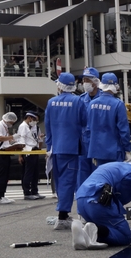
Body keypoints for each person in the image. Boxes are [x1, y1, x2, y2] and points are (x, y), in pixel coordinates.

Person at [44, 72, 87, 230]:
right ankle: (62, 216)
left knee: (60, 181)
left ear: (60, 85)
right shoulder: (78, 101)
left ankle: (62, 214)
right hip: (72, 148)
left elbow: (47, 126)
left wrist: (49, 147)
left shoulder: (51, 102)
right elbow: (85, 122)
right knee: (69, 182)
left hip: (56, 148)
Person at [86, 73, 131, 166]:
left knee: (102, 175)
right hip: (115, 151)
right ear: (115, 86)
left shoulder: (92, 104)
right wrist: (127, 149)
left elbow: (88, 129)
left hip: (97, 151)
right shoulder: (118, 104)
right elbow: (124, 130)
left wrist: (92, 151)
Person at [78, 67, 101, 188]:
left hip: (98, 142)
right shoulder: (81, 99)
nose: (84, 83)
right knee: (82, 174)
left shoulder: (103, 99)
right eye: (84, 80)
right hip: (83, 143)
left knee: (98, 173)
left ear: (95, 82)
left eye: (87, 80)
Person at [16, 111, 45, 200]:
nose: (35, 122)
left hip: (35, 150)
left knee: (35, 173)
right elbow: (21, 141)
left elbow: (38, 140)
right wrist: (20, 155)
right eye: (34, 119)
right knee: (28, 173)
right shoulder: (23, 126)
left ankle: (34, 191)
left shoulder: (35, 127)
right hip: (28, 150)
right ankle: (27, 192)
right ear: (29, 118)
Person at [0, 111, 20, 204]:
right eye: (12, 122)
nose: (12, 124)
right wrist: (11, 137)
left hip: (6, 152)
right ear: (8, 120)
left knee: (5, 175)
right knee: (2, 175)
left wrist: (14, 141)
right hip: (1, 153)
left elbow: (6, 141)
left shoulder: (5, 127)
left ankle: (2, 195)